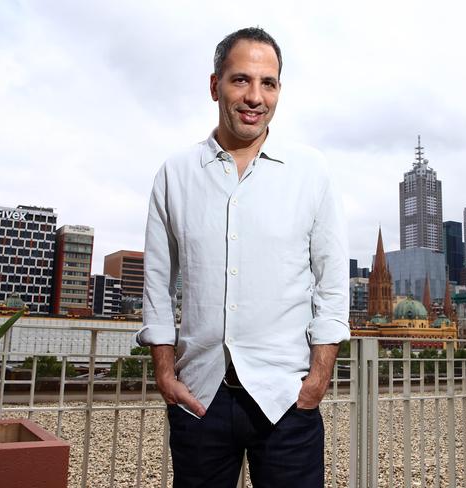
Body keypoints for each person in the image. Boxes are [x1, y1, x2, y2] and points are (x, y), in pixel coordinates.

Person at [137, 26, 350, 487]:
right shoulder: (175, 174)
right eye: (241, 80)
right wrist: (165, 373)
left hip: (287, 402)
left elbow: (332, 282)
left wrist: (317, 379)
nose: (255, 96)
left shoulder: (311, 172)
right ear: (215, 85)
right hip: (199, 400)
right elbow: (156, 282)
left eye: (268, 83)